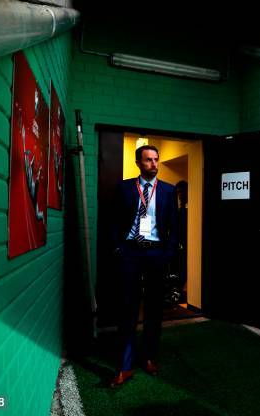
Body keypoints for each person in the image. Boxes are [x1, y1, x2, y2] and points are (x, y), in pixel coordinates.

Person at [109, 145, 178, 387]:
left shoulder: (169, 191)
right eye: (148, 160)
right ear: (138, 162)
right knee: (127, 309)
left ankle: (148, 357)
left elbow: (174, 227)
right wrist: (118, 248)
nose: (153, 164)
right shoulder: (125, 188)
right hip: (130, 253)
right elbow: (114, 221)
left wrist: (167, 253)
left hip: (156, 254)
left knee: (153, 309)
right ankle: (124, 366)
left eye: (156, 160)